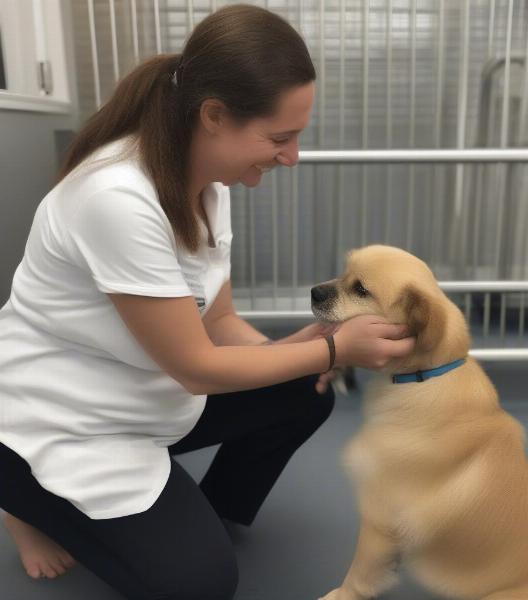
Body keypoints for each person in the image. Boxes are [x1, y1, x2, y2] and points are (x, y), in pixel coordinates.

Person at [0, 4, 415, 599]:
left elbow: (217, 321)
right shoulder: (115, 198)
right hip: (58, 419)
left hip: (141, 390)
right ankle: (23, 498)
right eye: (280, 138)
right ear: (215, 115)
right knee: (200, 585)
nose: (291, 156)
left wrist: (301, 354)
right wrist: (330, 348)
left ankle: (196, 515)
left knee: (302, 392)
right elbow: (195, 366)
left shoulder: (207, 188)